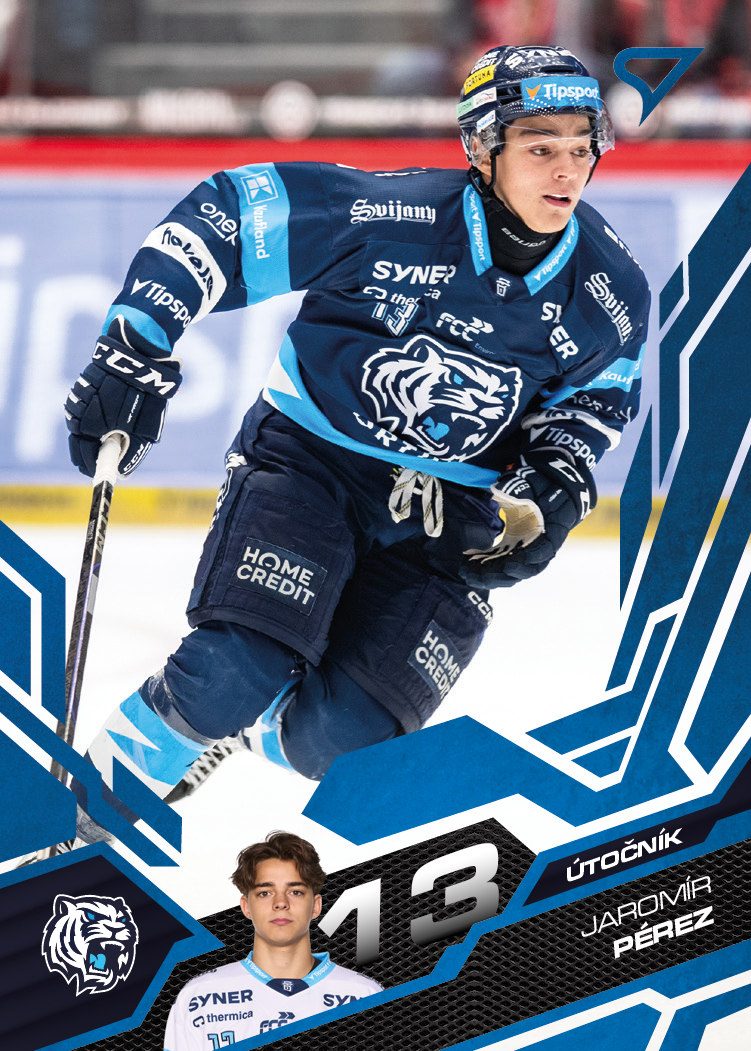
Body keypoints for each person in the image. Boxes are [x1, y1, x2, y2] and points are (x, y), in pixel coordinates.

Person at [60, 44, 649, 847]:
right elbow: (226, 215)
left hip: (450, 514)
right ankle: (70, 830)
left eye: (581, 149)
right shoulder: (393, 217)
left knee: (344, 747)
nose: (566, 171)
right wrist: (134, 344)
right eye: (540, 147)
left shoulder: (610, 292)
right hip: (315, 462)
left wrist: (552, 488)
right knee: (232, 670)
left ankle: (239, 726)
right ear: (481, 147)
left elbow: (591, 405)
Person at [164, 831, 382, 1049]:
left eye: (295, 892)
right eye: (265, 893)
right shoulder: (200, 996)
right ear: (246, 907)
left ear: (316, 906)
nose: (280, 903)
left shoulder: (364, 995)